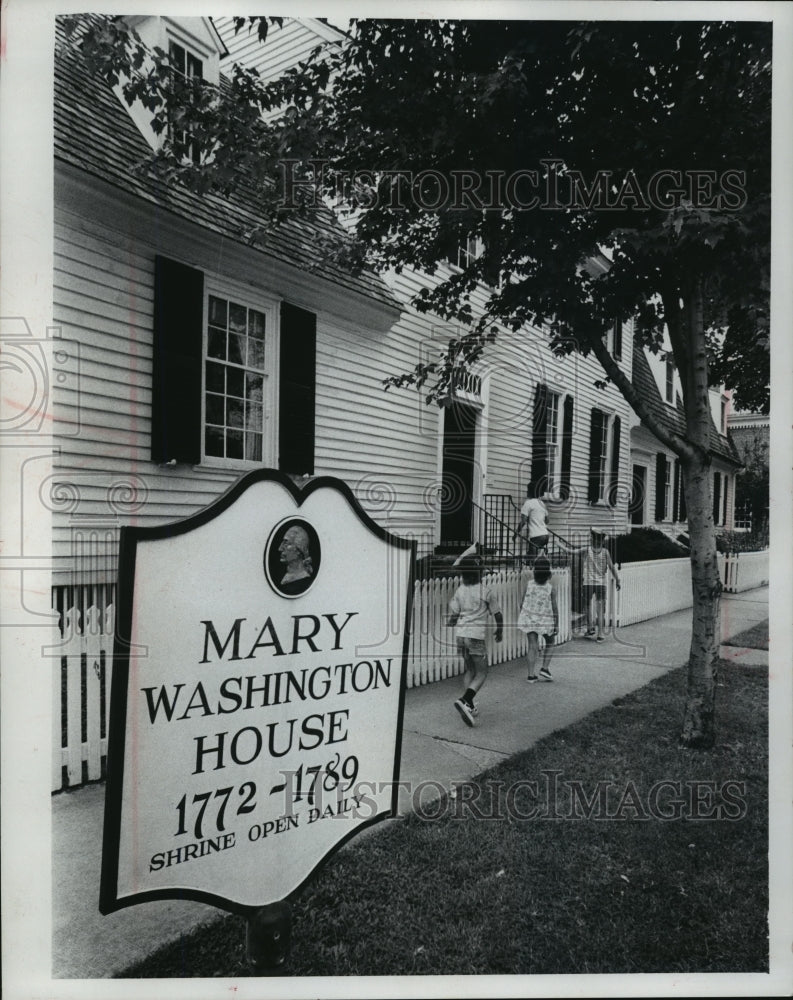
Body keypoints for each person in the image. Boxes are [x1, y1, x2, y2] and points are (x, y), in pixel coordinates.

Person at [447, 556, 503, 727]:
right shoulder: (486, 592)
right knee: (482, 672)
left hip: (461, 636)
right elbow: (497, 614)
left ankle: (469, 705)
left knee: (470, 669)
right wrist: (499, 629)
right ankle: (465, 700)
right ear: (480, 573)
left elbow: (455, 614)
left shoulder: (460, 590)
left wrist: (451, 621)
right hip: (475, 637)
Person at [517, 556, 559, 682]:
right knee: (550, 642)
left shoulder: (529, 585)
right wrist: (556, 623)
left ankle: (531, 675)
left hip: (530, 618)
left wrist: (524, 615)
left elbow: (522, 602)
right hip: (545, 620)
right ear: (548, 573)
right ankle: (545, 668)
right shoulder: (550, 589)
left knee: (532, 646)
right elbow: (554, 608)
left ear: (534, 572)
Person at [582, 530, 621, 641]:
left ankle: (590, 628)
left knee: (587, 606)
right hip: (600, 584)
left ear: (592, 539)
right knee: (600, 609)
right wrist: (618, 580)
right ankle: (600, 634)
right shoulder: (605, 552)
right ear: (602, 541)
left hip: (588, 583)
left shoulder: (587, 550)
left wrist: (560, 545)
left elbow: (572, 551)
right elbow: (612, 567)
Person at [514, 481, 549, 556]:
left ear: (530, 491)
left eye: (527, 490)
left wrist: (515, 533)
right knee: (539, 556)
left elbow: (523, 521)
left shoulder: (528, 503)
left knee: (534, 559)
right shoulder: (542, 503)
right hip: (545, 535)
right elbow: (547, 521)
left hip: (536, 536)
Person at [278, 525, 314, 594]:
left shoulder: (303, 579)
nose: (280, 548)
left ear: (299, 550)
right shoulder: (286, 577)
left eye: (286, 543)